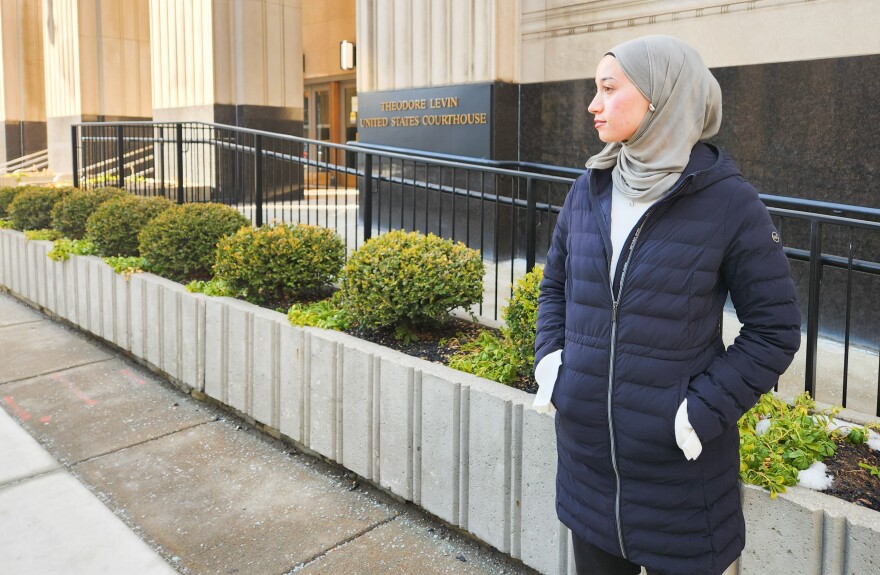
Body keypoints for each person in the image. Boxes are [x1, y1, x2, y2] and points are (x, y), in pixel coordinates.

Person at [533, 35, 801, 575]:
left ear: (662, 97)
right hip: (589, 470)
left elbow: (774, 329)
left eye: (608, 89)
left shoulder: (728, 202)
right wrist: (552, 362)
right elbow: (554, 285)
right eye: (594, 89)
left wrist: (696, 412)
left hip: (679, 479)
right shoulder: (590, 188)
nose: (594, 104)